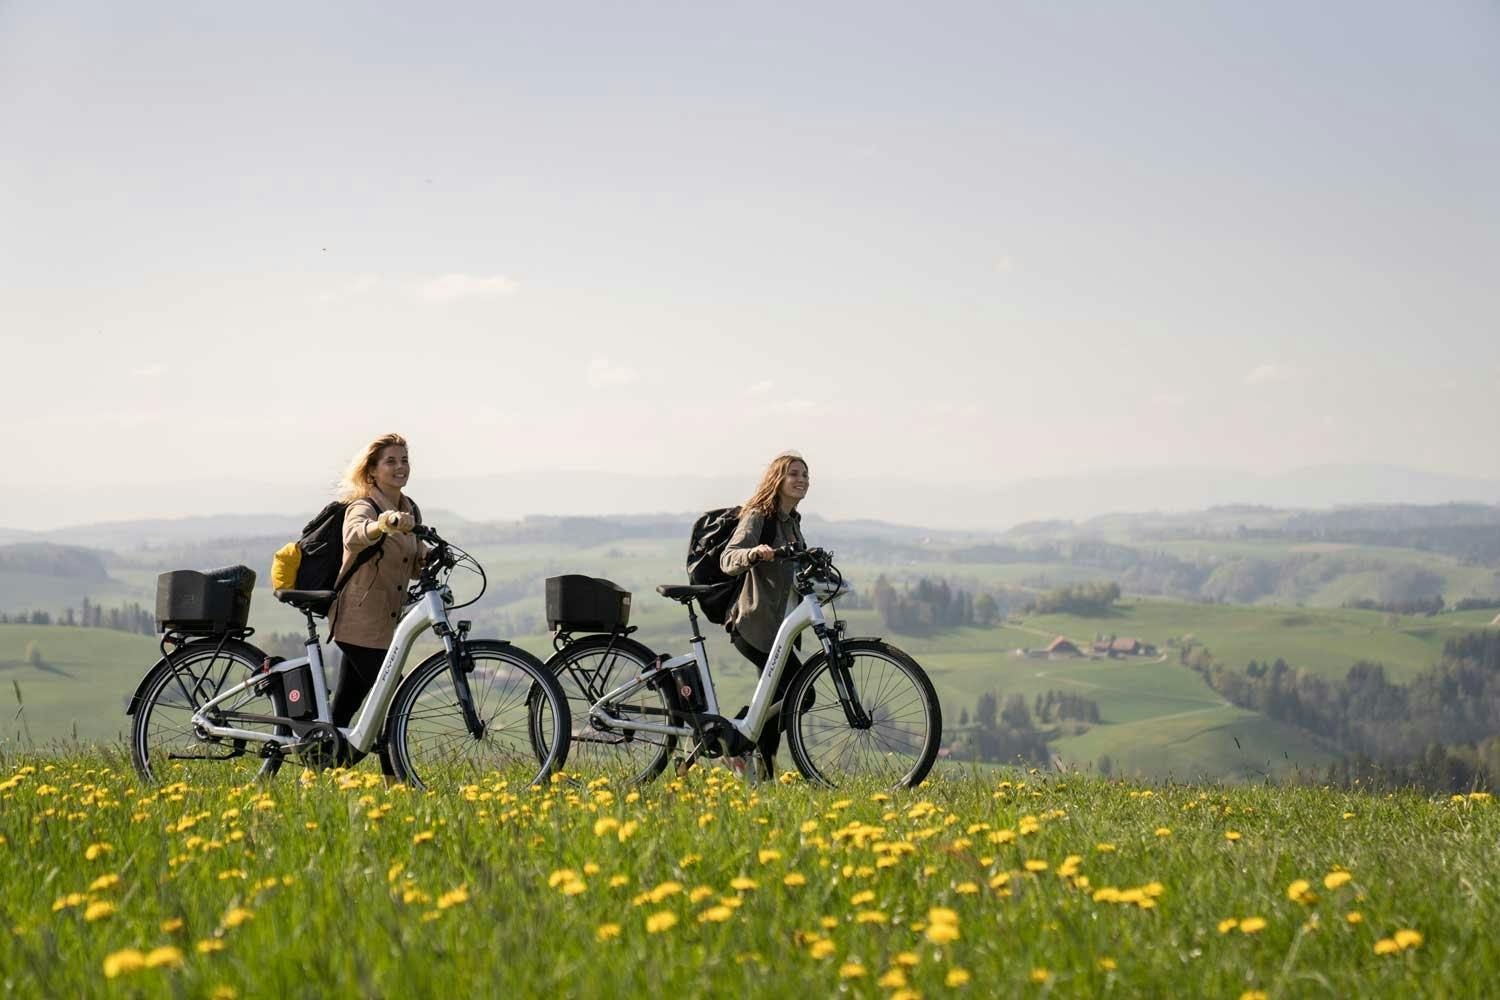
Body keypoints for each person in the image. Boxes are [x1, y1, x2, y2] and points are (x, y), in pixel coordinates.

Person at [326, 433, 423, 773]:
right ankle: (396, 782)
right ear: (372, 471)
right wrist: (381, 524)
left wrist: (430, 557)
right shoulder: (364, 505)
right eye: (391, 461)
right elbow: (353, 535)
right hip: (357, 620)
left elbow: (411, 568)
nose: (400, 467)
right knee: (393, 701)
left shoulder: (410, 508)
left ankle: (320, 769)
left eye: (404, 460)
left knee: (344, 707)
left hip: (385, 624)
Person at [719, 451, 810, 778]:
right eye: (794, 474)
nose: (802, 480)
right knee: (803, 693)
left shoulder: (793, 522)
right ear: (778, 480)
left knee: (775, 699)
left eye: (805, 475)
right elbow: (728, 559)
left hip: (780, 632)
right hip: (754, 626)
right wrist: (754, 553)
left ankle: (763, 772)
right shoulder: (760, 516)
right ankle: (734, 733)